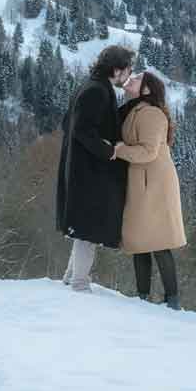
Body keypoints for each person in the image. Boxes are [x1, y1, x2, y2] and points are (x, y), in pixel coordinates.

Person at [56, 44, 133, 292]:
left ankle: (71, 276)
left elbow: (68, 122)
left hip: (81, 169)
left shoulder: (90, 86)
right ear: (117, 69)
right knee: (89, 229)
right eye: (127, 69)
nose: (129, 75)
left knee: (83, 227)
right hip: (88, 172)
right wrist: (109, 150)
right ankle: (79, 283)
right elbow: (81, 130)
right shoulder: (97, 91)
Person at [114, 70, 186, 309]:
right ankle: (143, 298)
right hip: (143, 182)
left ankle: (172, 300)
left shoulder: (152, 114)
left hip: (154, 184)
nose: (130, 80)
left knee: (157, 241)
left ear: (145, 89)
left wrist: (117, 149)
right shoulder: (137, 110)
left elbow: (148, 152)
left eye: (136, 79)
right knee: (140, 240)